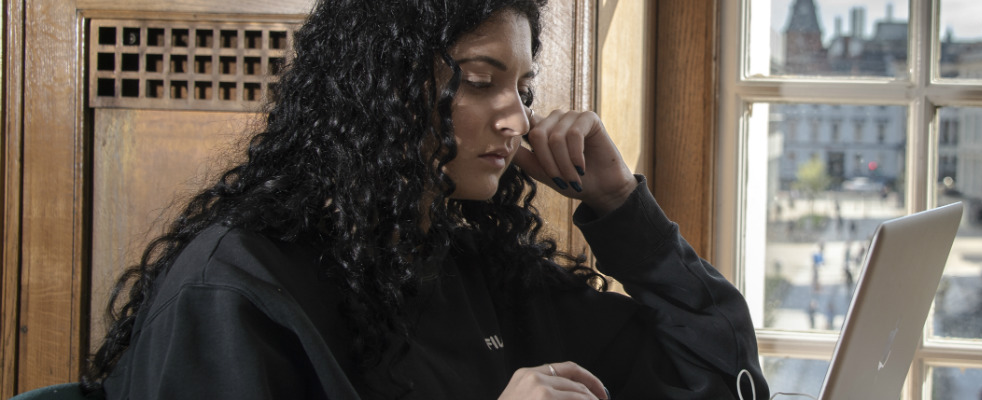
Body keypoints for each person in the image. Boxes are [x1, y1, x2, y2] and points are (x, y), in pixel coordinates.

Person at [80, 0, 770, 399]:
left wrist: (622, 206)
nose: (517, 119)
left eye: (523, 88)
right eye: (478, 79)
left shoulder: (477, 264)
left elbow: (719, 381)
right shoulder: (235, 292)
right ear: (376, 89)